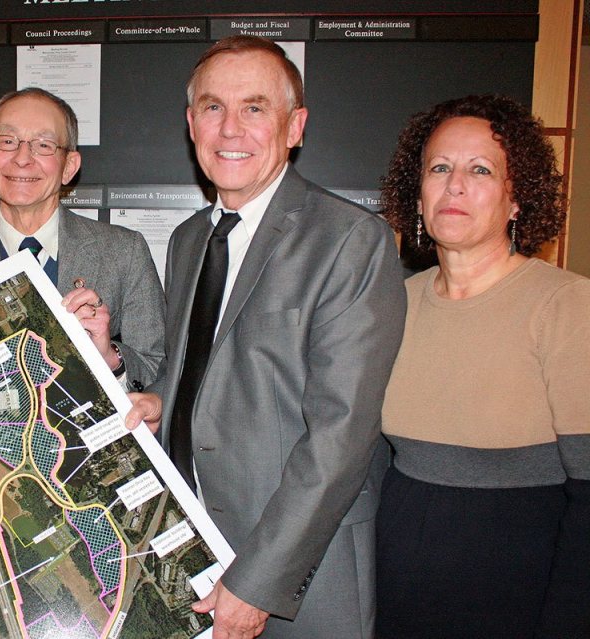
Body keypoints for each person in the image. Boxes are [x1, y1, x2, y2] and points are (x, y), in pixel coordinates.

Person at [125, 36, 406, 638]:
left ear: (295, 126)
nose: (230, 129)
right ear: (190, 123)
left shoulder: (351, 241)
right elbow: (198, 369)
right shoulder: (188, 240)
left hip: (300, 571)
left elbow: (341, 436)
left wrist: (258, 581)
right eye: (212, 107)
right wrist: (158, 402)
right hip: (190, 550)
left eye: (255, 108)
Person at [377, 94, 590, 638]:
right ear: (417, 192)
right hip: (399, 593)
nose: (455, 186)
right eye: (440, 168)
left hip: (519, 600)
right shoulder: (395, 302)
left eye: (481, 170)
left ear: (517, 200)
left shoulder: (567, 305)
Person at [0, 87, 164, 389]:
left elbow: (159, 371)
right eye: (7, 142)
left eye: (44, 145)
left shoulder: (125, 252)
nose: (22, 158)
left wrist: (110, 357)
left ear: (69, 166)